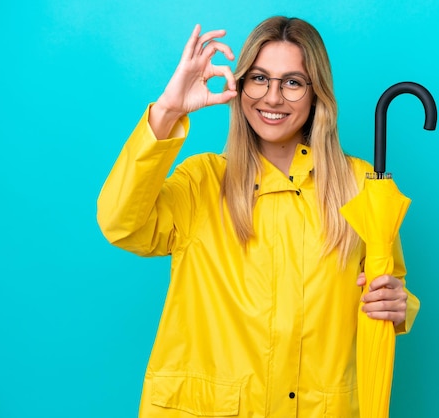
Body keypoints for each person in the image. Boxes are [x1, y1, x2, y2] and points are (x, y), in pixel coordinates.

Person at [97, 16, 419, 417]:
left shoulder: (358, 185)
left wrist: (397, 303)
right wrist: (167, 110)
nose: (272, 97)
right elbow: (120, 222)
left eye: (292, 82)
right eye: (259, 78)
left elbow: (391, 284)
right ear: (241, 85)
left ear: (317, 93)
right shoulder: (203, 183)